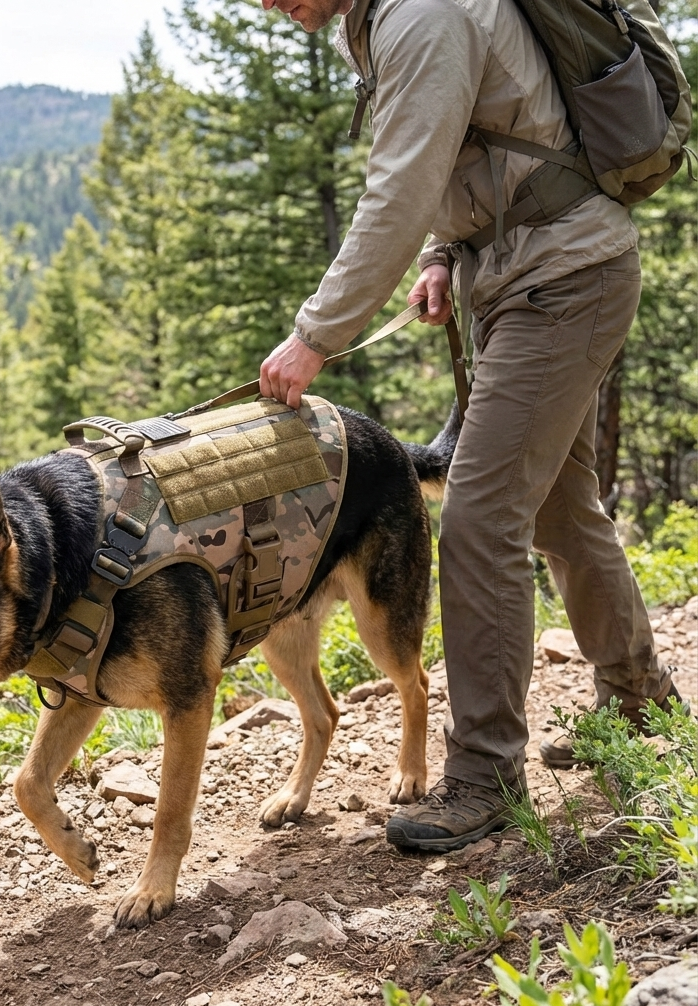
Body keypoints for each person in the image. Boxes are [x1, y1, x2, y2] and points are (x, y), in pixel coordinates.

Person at [258, 0, 683, 850]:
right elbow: (474, 151)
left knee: (481, 518)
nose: (268, 3)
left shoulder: (421, 15)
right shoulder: (381, 19)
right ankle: (640, 699)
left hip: (563, 277)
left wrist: (315, 337)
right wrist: (443, 256)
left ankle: (484, 774)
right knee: (561, 512)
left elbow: (401, 188)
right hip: (522, 274)